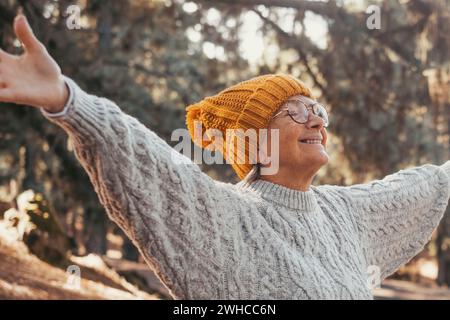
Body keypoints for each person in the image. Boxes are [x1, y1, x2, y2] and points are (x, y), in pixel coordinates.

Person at [1, 15, 449, 300]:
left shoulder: (343, 213)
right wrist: (69, 102)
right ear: (256, 141)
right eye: (295, 112)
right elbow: (151, 165)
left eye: (318, 111)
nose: (316, 121)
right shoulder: (228, 220)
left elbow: (417, 187)